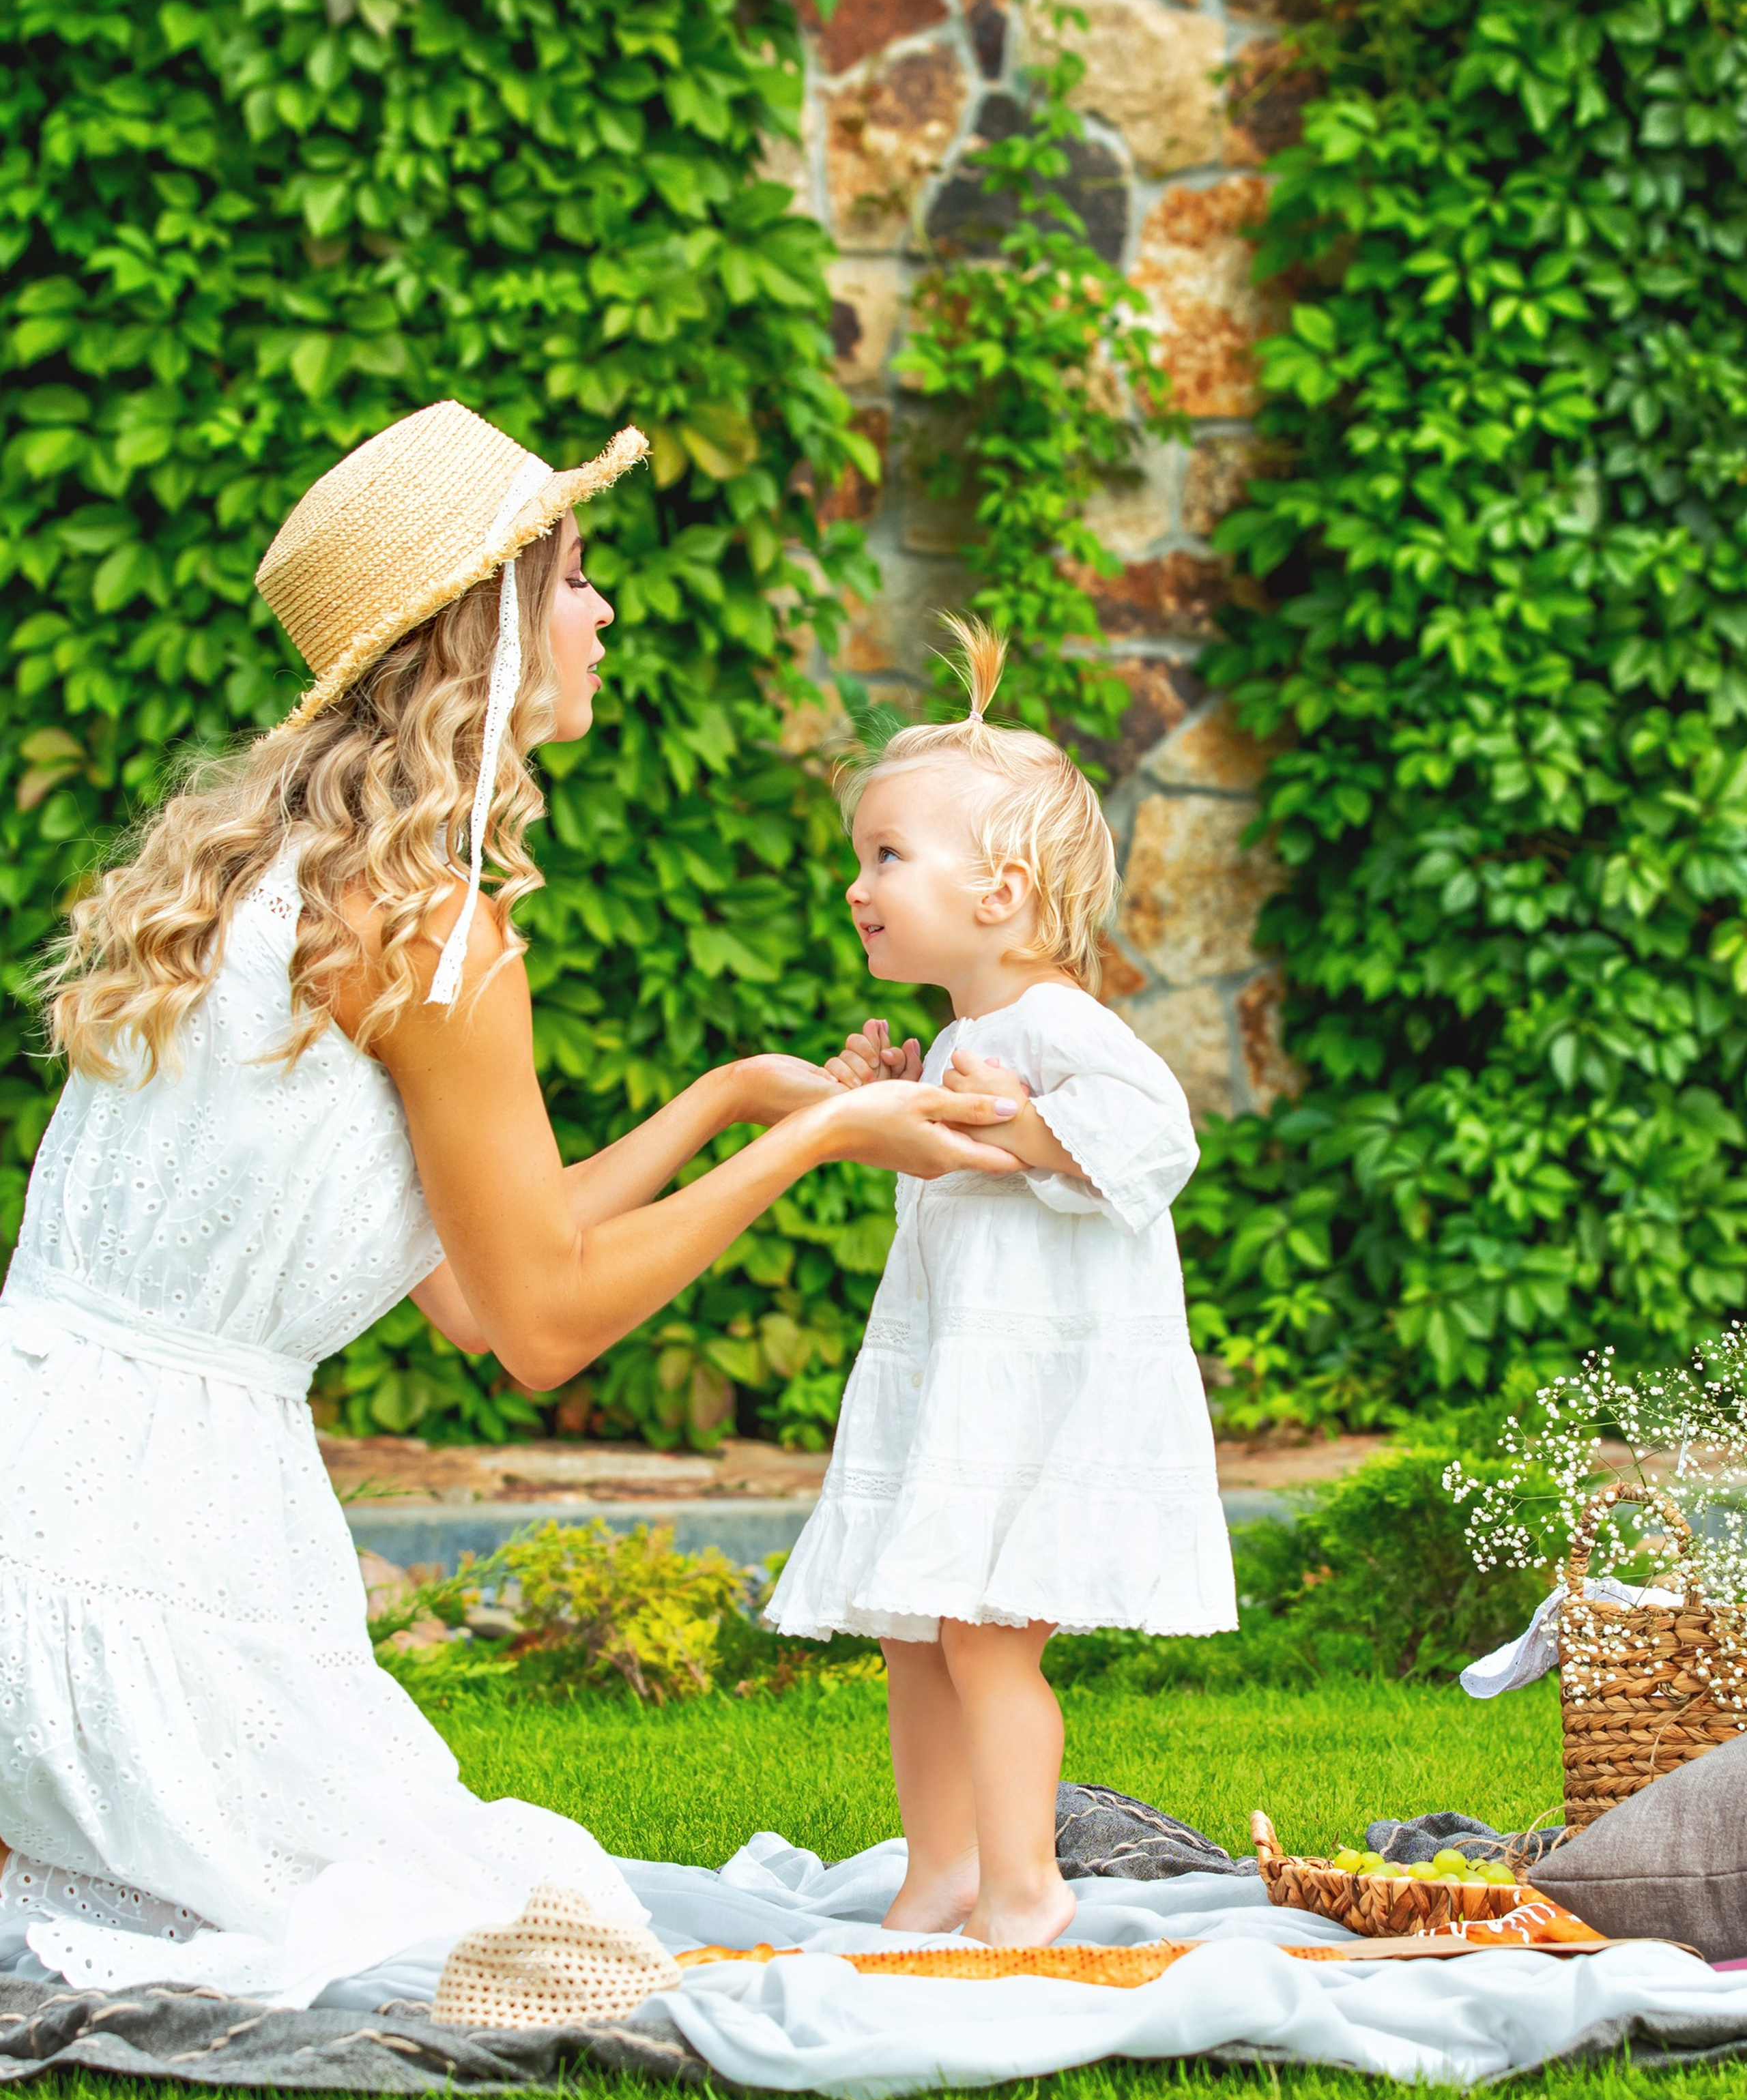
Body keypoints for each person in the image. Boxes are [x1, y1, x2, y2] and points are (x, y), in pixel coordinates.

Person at [0, 403, 1022, 2006]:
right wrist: (815, 1148)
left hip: (52, 1493)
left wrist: (746, 1091)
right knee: (484, 1924)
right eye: (570, 580)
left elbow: (477, 1283)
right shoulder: (431, 928)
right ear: (486, 629)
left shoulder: (269, 875)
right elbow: (539, 1328)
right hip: (144, 1556)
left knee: (456, 1890)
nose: (601, 611)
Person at [765, 619, 1237, 1948]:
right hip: (953, 1379)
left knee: (984, 1640)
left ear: (1000, 889)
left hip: (1030, 1398)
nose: (859, 885)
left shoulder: (1054, 1025)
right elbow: (951, 1172)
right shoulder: (970, 1031)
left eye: (888, 857)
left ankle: (1026, 1886)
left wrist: (1015, 1121)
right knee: (915, 1634)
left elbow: (1156, 1137)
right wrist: (890, 1100)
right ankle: (940, 1873)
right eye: (860, 857)